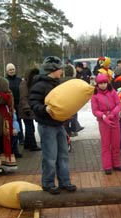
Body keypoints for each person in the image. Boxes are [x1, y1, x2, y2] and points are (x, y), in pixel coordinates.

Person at [29, 56, 77, 194]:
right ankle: (48, 183)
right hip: (46, 125)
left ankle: (64, 182)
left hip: (59, 124)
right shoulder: (39, 85)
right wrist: (45, 109)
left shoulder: (57, 84)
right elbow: (33, 103)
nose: (61, 71)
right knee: (50, 157)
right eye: (60, 69)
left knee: (63, 154)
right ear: (53, 70)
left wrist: (67, 113)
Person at [91, 74, 121, 175]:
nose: (103, 85)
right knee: (106, 144)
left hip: (114, 119)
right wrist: (103, 116)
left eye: (105, 82)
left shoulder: (113, 92)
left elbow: (119, 104)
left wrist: (112, 114)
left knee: (116, 143)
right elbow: (95, 110)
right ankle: (107, 166)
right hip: (103, 122)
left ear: (107, 83)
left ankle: (116, 164)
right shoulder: (95, 96)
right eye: (101, 83)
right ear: (97, 84)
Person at [18, 68, 42, 152]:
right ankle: (32, 145)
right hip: (25, 109)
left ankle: (27, 144)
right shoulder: (24, 83)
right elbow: (23, 97)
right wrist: (26, 108)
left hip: (28, 109)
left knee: (29, 127)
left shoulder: (29, 83)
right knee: (30, 127)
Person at [62, 64, 84, 137]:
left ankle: (67, 131)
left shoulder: (60, 81)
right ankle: (74, 129)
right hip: (73, 102)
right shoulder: (75, 81)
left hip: (64, 101)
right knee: (74, 115)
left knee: (66, 117)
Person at [5, 63, 24, 145]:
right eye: (10, 70)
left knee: (19, 121)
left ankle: (21, 138)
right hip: (10, 105)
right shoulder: (5, 81)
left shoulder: (19, 80)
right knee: (13, 122)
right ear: (7, 71)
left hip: (19, 103)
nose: (12, 71)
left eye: (13, 69)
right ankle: (14, 139)